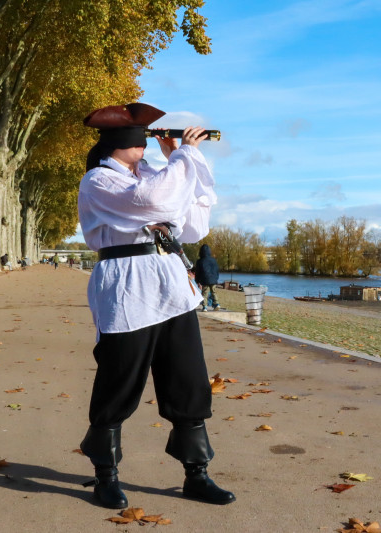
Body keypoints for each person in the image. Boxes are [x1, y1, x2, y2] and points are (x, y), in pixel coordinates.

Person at [77, 103, 234, 509]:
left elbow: (194, 224)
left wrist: (181, 159)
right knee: (119, 382)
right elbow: (151, 202)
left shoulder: (150, 175)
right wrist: (183, 156)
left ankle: (197, 474)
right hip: (127, 288)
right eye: (139, 141)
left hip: (170, 284)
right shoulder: (98, 180)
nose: (144, 147)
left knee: (188, 379)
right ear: (117, 144)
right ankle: (105, 476)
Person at [194, 244, 221, 311]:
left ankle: (204, 307)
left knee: (204, 293)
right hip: (213, 279)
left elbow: (197, 272)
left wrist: (197, 280)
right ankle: (217, 304)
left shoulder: (200, 261)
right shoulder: (214, 260)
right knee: (213, 292)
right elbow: (217, 270)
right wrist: (216, 278)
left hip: (205, 279)